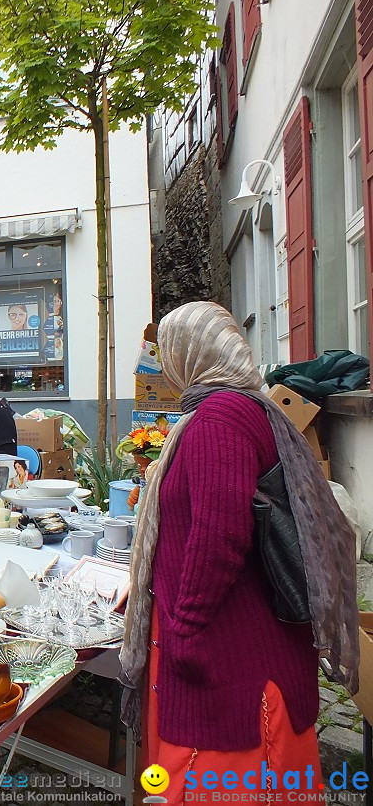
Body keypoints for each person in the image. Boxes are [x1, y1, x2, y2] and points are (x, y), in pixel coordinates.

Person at [119, 301, 358, 802]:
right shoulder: (247, 407)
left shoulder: (219, 419)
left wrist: (185, 626)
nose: (164, 363)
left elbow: (219, 536)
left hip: (229, 646)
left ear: (190, 354)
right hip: (246, 635)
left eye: (168, 351)